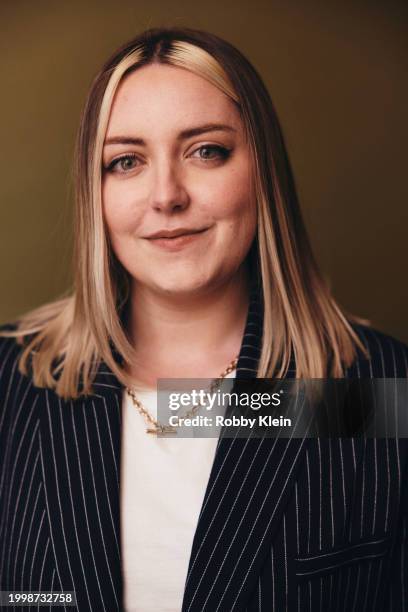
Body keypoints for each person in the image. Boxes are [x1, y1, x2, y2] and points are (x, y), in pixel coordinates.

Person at [0, 26, 407, 612]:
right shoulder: (10, 378)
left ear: (262, 172)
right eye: (126, 161)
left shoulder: (380, 397)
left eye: (206, 151)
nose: (166, 195)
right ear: (97, 193)